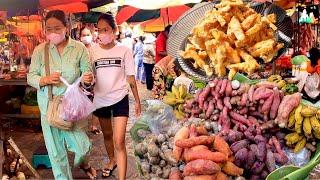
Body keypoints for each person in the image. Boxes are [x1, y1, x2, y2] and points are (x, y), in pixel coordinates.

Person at [27, 10, 96, 179]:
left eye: (57, 28)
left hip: (73, 108)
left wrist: (88, 79)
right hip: (49, 108)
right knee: (56, 155)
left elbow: (88, 78)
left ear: (67, 27)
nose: (53, 32)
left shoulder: (79, 48)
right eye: (48, 29)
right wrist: (45, 79)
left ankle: (83, 163)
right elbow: (31, 76)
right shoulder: (40, 50)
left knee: (83, 147)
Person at [89, 13, 141, 179]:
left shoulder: (124, 50)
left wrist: (138, 102)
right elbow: (89, 76)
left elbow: (131, 77)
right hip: (100, 100)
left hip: (120, 99)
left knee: (119, 140)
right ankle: (112, 160)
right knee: (108, 135)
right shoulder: (92, 51)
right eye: (99, 30)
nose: (102, 33)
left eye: (106, 29)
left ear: (114, 30)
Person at [79, 27, 102, 135]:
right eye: (83, 35)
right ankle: (80, 126)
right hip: (81, 81)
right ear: (80, 37)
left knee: (96, 103)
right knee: (81, 104)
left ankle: (94, 126)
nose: (86, 37)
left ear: (92, 36)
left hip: (95, 80)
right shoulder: (77, 49)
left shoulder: (96, 48)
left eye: (88, 34)